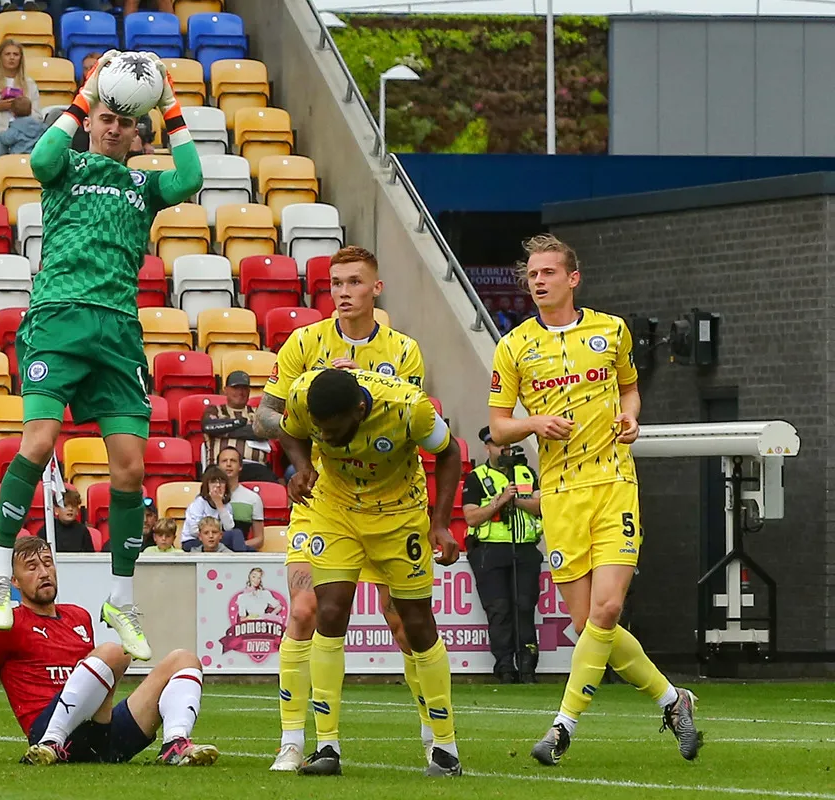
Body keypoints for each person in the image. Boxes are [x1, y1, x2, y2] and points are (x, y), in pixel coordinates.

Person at [0, 52, 200, 661]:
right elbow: (41, 158)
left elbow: (189, 179)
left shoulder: (143, 185)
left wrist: (171, 102)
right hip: (58, 317)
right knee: (39, 442)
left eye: (122, 122)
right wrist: (86, 89)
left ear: (135, 131)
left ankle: (120, 598)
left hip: (119, 332)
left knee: (129, 471)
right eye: (103, 117)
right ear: (91, 119)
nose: (111, 127)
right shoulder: (67, 168)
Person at [489, 234, 700, 766]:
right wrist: (533, 422)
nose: (537, 282)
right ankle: (674, 701)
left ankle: (561, 727)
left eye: (547, 273)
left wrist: (632, 416)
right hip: (559, 494)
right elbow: (498, 425)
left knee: (607, 608)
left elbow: (630, 389)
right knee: (588, 627)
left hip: (612, 484)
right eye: (531, 276)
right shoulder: (514, 346)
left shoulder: (612, 330)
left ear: (572, 278)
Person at [249, 244, 427, 772]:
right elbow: (264, 418)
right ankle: (293, 740)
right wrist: (317, 389)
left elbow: (412, 425)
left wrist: (365, 387)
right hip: (323, 498)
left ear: (377, 288)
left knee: (403, 622)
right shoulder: (305, 344)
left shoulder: (405, 350)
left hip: (388, 501)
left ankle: (432, 734)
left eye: (354, 282)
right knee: (304, 611)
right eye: (336, 283)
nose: (343, 292)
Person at [273, 367, 464, 777]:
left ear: (361, 410)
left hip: (399, 516)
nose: (327, 439)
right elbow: (291, 432)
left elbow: (449, 453)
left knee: (415, 621)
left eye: (334, 431)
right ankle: (327, 746)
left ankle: (445, 747)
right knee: (329, 611)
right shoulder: (304, 395)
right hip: (335, 510)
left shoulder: (411, 409)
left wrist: (442, 522)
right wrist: (303, 465)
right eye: (320, 431)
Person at [0, 536, 217, 767]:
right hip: (46, 728)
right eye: (32, 567)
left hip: (98, 732)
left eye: (48, 563)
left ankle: (175, 744)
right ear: (14, 581)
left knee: (184, 659)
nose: (44, 572)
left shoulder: (78, 616)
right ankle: (52, 743)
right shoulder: (6, 624)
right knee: (113, 652)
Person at [463, 425, 542, 684]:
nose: (504, 449)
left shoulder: (527, 473)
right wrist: (499, 501)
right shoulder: (477, 477)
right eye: (498, 445)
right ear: (488, 447)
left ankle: (528, 667)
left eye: (507, 444)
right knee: (499, 610)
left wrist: (516, 500)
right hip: (490, 551)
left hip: (525, 548)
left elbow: (541, 506)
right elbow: (471, 517)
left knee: (524, 607)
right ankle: (505, 668)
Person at [0, 38, 44, 175]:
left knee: (33, 140)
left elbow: (38, 117)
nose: (12, 58)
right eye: (7, 54)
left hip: (23, 133)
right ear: (0, 57)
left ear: (21, 58)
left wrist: (22, 109)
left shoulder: (29, 83)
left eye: (16, 54)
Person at [203, 371, 270, 467]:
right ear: (225, 390)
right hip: (219, 469)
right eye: (235, 388)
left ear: (249, 391)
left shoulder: (258, 413)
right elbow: (209, 427)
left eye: (244, 388)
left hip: (255, 468)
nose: (240, 392)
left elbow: (264, 431)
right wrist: (242, 425)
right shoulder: (214, 410)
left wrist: (224, 430)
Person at [180, 468, 249, 551]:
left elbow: (229, 527)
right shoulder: (198, 504)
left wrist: (219, 504)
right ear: (207, 486)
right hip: (193, 541)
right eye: (213, 482)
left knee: (251, 550)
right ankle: (240, 562)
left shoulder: (226, 505)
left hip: (217, 540)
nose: (218, 485)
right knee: (236, 534)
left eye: (222, 482)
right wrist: (212, 534)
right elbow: (194, 531)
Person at [213, 446, 267, 545]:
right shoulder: (206, 496)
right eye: (224, 461)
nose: (228, 464)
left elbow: (259, 539)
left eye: (233, 461)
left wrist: (237, 546)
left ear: (240, 466)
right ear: (218, 466)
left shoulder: (253, 498)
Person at [47, 485, 97, 553]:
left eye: (73, 506)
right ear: (56, 510)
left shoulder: (83, 531)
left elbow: (91, 557)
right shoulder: (47, 530)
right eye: (65, 506)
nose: (70, 509)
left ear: (77, 511)